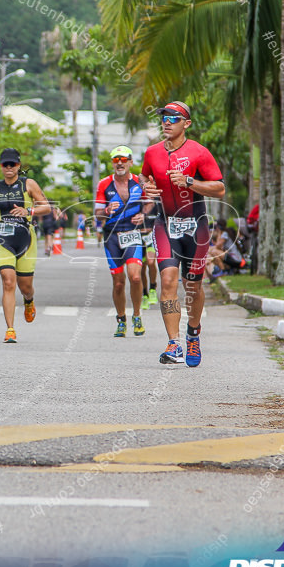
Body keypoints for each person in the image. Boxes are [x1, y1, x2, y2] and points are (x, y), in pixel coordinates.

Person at [140, 100, 225, 367]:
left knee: (193, 286)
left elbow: (219, 189)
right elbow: (144, 177)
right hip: (165, 224)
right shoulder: (152, 152)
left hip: (195, 226)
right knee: (167, 281)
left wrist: (190, 181)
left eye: (173, 118)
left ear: (186, 124)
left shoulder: (199, 152)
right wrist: (148, 187)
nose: (167, 121)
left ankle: (193, 332)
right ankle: (174, 343)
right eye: (164, 117)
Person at [0, 148, 50, 343]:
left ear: (18, 166)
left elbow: (47, 206)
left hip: (25, 239)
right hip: (3, 239)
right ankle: (10, 329)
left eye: (12, 164)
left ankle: (29, 300)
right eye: (5, 164)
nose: (8, 168)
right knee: (8, 281)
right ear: (1, 166)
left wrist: (28, 210)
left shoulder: (28, 184)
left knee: (26, 287)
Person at [95, 146, 146, 337]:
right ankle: (121, 318)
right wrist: (107, 211)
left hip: (133, 234)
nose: (119, 163)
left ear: (131, 162)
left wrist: (143, 215)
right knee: (118, 282)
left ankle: (137, 315)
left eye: (123, 160)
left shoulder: (140, 182)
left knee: (135, 277)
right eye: (116, 160)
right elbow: (97, 214)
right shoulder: (104, 184)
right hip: (112, 237)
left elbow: (150, 204)